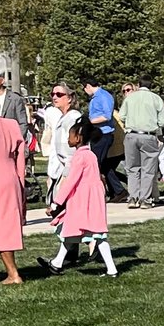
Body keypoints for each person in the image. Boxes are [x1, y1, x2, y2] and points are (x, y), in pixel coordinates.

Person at [37, 117, 117, 278]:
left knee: (95, 235)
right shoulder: (90, 155)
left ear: (78, 138)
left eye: (70, 136)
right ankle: (57, 263)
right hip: (91, 200)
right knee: (71, 231)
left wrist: (56, 204)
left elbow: (71, 182)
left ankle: (111, 269)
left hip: (82, 201)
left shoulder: (80, 157)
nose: (68, 139)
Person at [119, 77, 164, 209]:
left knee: (132, 168)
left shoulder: (130, 98)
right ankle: (145, 199)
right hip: (148, 135)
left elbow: (122, 116)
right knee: (148, 169)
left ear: (138, 85)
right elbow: (163, 121)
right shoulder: (156, 98)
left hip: (131, 134)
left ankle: (133, 198)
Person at [79, 74, 127, 201]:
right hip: (97, 134)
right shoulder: (96, 98)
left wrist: (89, 121)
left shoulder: (104, 96)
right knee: (104, 165)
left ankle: (96, 193)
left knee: (95, 165)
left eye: (84, 88)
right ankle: (119, 191)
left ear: (88, 86)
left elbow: (106, 116)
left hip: (103, 134)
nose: (85, 91)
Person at [0, 112, 26, 284]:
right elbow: (21, 157)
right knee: (5, 225)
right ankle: (13, 272)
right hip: (9, 176)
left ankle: (14, 275)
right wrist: (20, 183)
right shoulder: (11, 124)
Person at [0, 72, 29, 140]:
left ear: (2, 80)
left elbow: (23, 123)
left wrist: (16, 142)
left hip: (9, 142)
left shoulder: (15, 99)